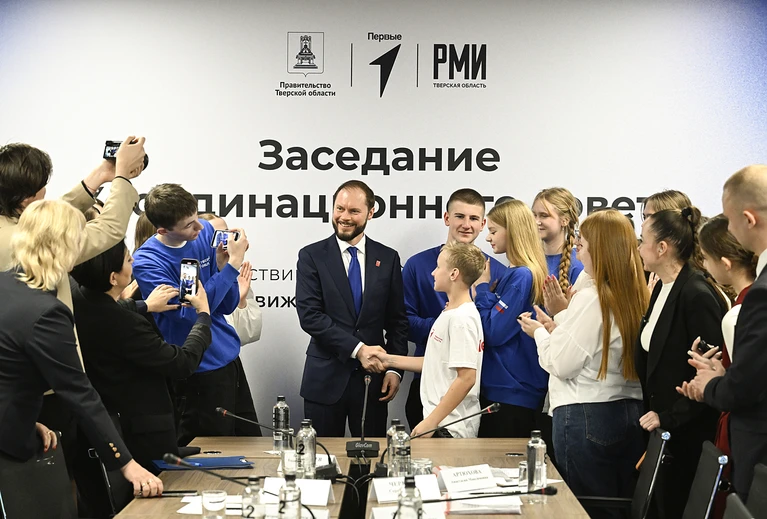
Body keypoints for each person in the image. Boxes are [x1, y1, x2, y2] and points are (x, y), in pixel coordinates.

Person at [0, 138, 146, 478]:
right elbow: (107, 229)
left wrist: (97, 178)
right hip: (39, 393)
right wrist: (122, 178)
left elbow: (49, 220)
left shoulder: (15, 234)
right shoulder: (43, 306)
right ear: (26, 200)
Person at [519, 209, 648, 519]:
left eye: (583, 243)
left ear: (600, 249)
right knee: (612, 506)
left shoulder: (594, 298)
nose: (577, 248)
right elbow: (592, 345)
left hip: (586, 415)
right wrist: (561, 320)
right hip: (627, 414)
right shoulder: (636, 294)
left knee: (583, 509)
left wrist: (540, 334)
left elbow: (562, 363)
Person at [132, 183, 260, 445]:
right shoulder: (148, 262)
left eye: (196, 217)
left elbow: (225, 305)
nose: (200, 228)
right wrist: (232, 266)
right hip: (197, 369)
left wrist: (223, 266)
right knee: (213, 452)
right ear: (163, 230)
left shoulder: (205, 233)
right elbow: (190, 316)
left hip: (228, 358)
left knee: (250, 442)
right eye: (189, 225)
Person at [70, 240, 211, 472]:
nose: (133, 261)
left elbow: (105, 309)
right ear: (113, 278)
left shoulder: (77, 297)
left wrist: (145, 305)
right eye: (128, 259)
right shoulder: (126, 325)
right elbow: (181, 363)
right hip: (142, 437)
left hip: (109, 421)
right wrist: (203, 315)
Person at [677, 165, 767, 501]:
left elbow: (744, 388)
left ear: (748, 219)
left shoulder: (760, 294)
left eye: (729, 220)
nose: (728, 229)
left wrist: (712, 384)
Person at [295, 180, 408, 437]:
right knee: (321, 458)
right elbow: (310, 316)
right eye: (340, 208)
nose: (344, 217)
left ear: (371, 212)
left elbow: (397, 321)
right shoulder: (311, 256)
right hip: (324, 381)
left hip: (372, 383)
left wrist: (394, 368)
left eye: (354, 211)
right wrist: (358, 350)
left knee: (369, 458)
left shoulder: (388, 258)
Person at [636, 205, 726, 517]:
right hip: (662, 428)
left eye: (642, 240)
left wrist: (670, 417)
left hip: (687, 434)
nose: (638, 248)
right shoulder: (661, 287)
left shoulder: (696, 293)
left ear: (662, 248)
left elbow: (710, 372)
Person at [401, 188, 505, 429]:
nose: (466, 225)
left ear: (483, 224)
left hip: (476, 387)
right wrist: (445, 328)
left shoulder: (497, 272)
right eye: (460, 216)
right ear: (447, 218)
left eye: (474, 218)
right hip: (427, 381)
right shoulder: (418, 265)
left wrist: (454, 325)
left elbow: (495, 331)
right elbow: (403, 323)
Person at [373, 242, 486, 438]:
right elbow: (436, 362)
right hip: (440, 423)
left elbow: (467, 378)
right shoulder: (450, 314)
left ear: (454, 274)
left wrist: (431, 422)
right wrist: (388, 360)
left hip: (450, 428)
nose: (433, 272)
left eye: (438, 267)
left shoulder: (462, 319)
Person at [697, 214, 757, 518]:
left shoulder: (738, 315)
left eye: (706, 259)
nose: (703, 266)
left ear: (725, 263)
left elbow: (742, 383)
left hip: (742, 431)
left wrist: (710, 380)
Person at [473, 200, 549, 437]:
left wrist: (483, 289)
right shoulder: (516, 273)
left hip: (512, 393)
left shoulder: (522, 275)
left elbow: (493, 332)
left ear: (513, 231)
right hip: (505, 389)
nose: (488, 238)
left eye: (493, 231)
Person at [199, 212, 263, 346]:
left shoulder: (231, 273)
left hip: (227, 353)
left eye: (226, 234)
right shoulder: (193, 273)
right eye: (217, 236)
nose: (225, 242)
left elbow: (247, 335)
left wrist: (240, 302)